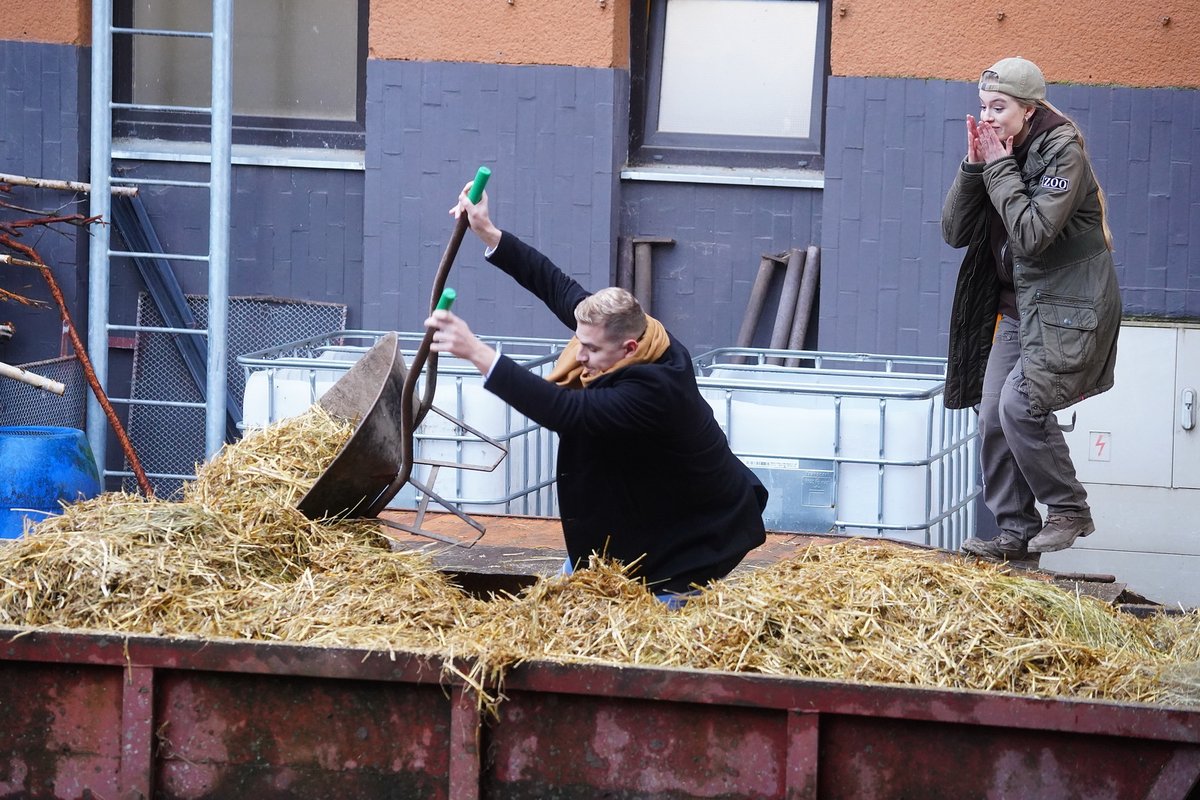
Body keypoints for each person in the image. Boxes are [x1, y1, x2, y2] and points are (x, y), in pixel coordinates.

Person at [425, 184, 768, 601]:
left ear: (628, 348)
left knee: (642, 640)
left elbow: (566, 412)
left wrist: (477, 353)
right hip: (631, 526)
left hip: (687, 543)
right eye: (579, 341)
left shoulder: (655, 390)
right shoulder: (639, 332)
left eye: (591, 349)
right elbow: (555, 285)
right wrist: (488, 232)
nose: (579, 355)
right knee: (560, 608)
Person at [941, 56, 1121, 564]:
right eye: (983, 107)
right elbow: (955, 232)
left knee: (1021, 405)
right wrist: (974, 165)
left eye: (999, 107)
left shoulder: (1063, 155)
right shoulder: (1001, 152)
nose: (989, 117)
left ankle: (1069, 510)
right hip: (1017, 313)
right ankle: (1015, 532)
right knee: (994, 417)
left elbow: (1033, 236)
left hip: (1068, 311)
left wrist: (996, 167)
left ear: (1028, 108)